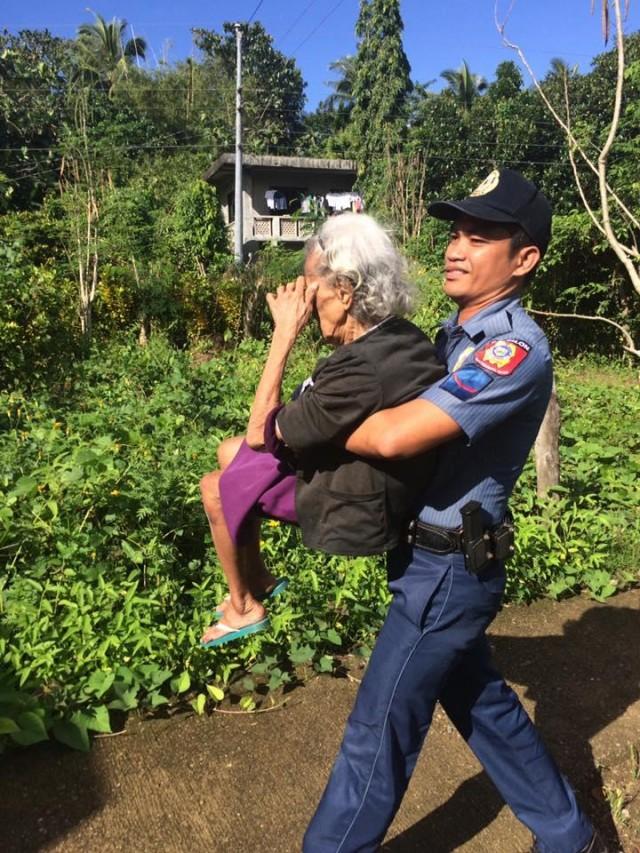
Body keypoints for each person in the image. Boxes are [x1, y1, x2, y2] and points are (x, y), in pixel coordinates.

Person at [303, 170, 604, 853]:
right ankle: (568, 836)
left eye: (481, 234)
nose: (456, 246)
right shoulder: (447, 335)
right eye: (455, 230)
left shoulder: (513, 348)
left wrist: (307, 420)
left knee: (377, 732)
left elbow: (391, 434)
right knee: (483, 704)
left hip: (447, 572)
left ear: (524, 258)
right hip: (429, 556)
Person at [199, 213, 445, 647]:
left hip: (357, 497)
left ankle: (242, 607)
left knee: (215, 487)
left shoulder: (359, 368)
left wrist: (283, 336)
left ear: (345, 292)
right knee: (226, 450)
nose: (306, 303)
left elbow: (261, 433)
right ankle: (257, 576)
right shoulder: (399, 336)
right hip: (360, 466)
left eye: (311, 288)